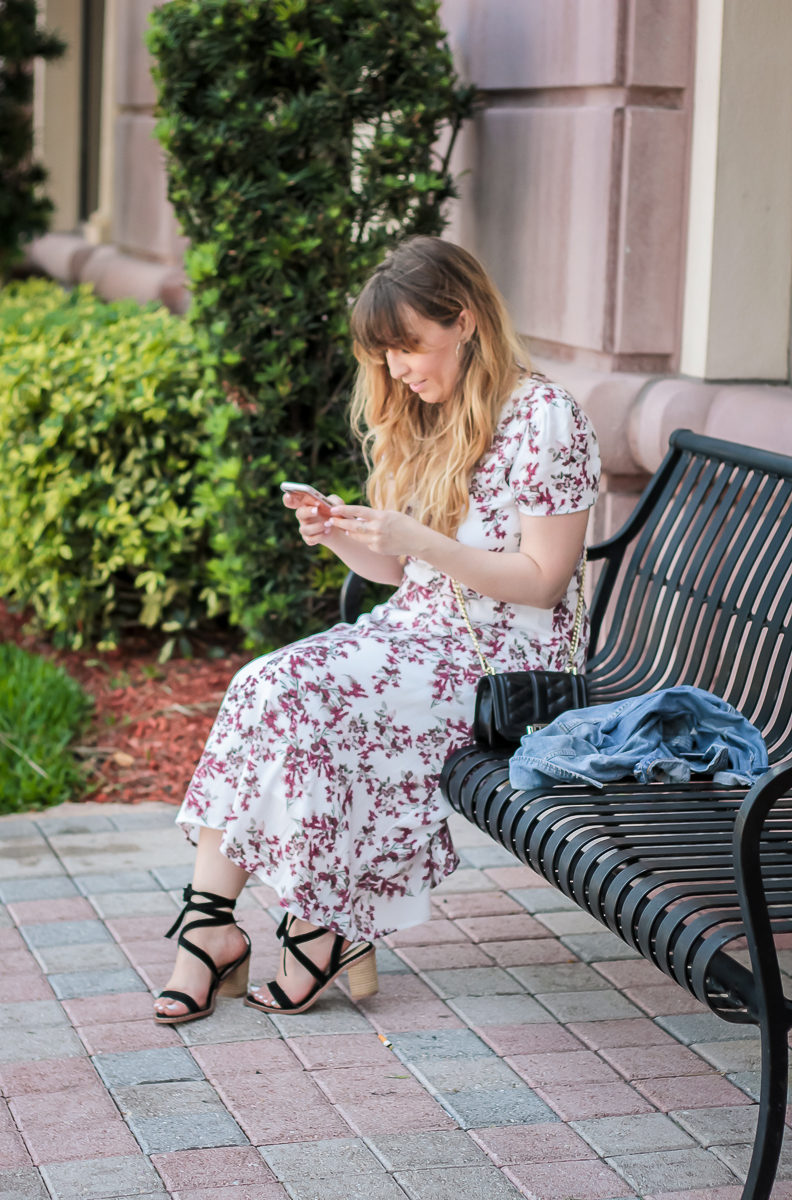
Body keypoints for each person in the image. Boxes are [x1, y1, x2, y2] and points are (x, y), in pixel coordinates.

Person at [153, 235, 600, 1024]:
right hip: (417, 635)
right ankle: (211, 924)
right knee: (263, 682)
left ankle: (321, 925)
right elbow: (405, 576)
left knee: (300, 694)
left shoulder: (546, 418)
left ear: (464, 321)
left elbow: (543, 581)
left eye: (408, 348)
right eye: (384, 355)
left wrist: (417, 540)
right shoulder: (431, 412)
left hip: (504, 664)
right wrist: (343, 533)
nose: (396, 371)